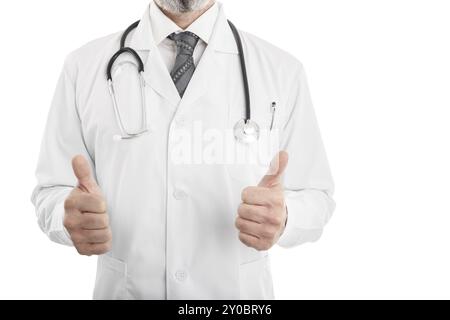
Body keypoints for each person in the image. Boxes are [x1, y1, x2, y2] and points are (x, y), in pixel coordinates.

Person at [31, 0, 335, 299]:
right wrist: (66, 216)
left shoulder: (282, 71)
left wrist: (285, 218)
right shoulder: (83, 67)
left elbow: (316, 196)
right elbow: (51, 191)